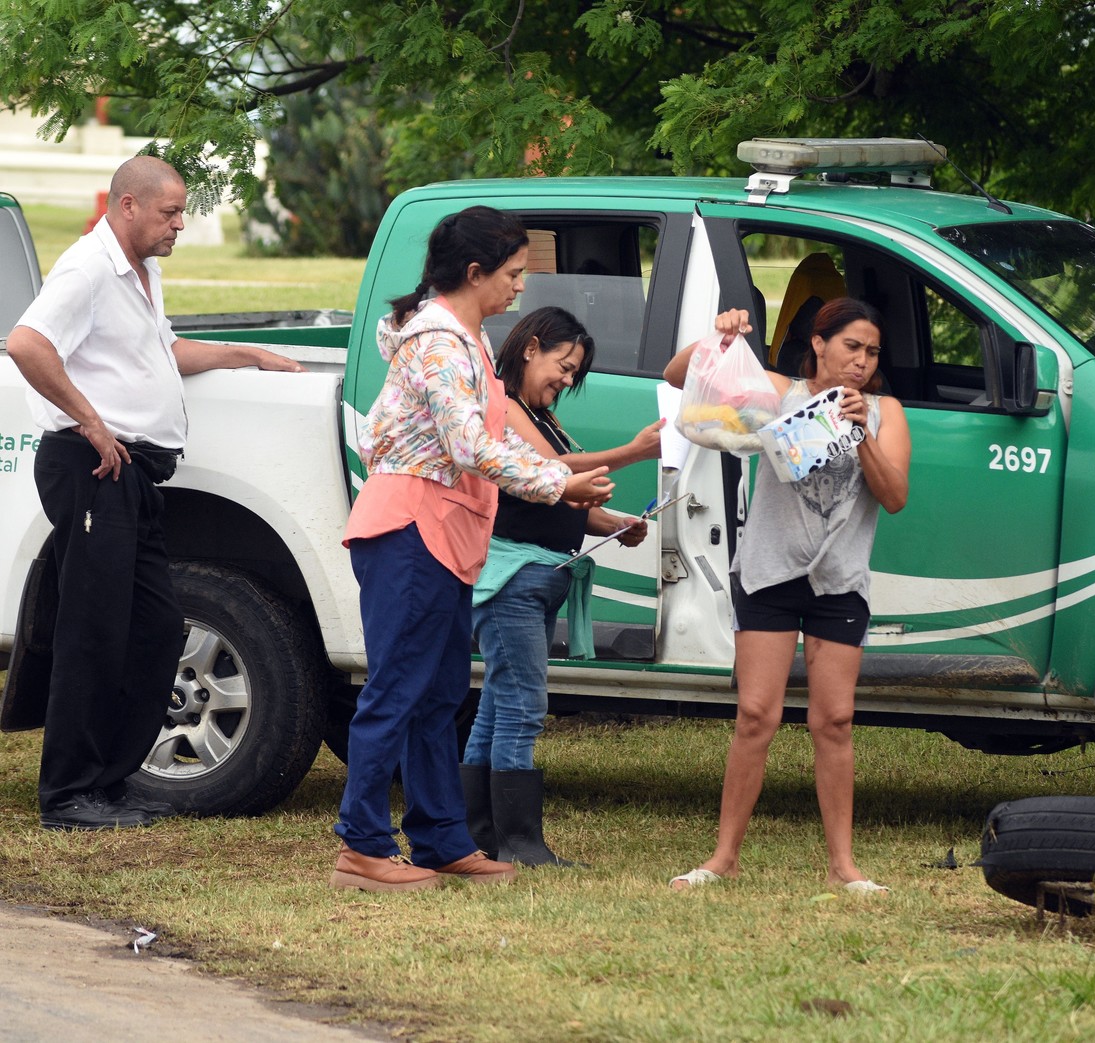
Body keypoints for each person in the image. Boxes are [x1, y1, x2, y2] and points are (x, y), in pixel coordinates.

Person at [6, 156, 304, 832]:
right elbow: (27, 343)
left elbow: (161, 353)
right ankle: (67, 795)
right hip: (91, 467)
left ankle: (110, 783)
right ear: (128, 206)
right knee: (93, 629)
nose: (179, 224)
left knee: (157, 627)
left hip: (134, 474)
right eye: (169, 212)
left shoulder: (142, 271)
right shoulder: (88, 268)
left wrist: (246, 354)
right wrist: (90, 420)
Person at [331, 208, 615, 893]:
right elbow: (468, 446)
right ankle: (362, 847)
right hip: (409, 531)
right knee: (398, 690)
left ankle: (441, 839)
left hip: (443, 534)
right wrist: (557, 481)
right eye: (514, 273)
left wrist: (571, 490)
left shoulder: (467, 338)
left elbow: (480, 444)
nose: (521, 287)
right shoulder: (440, 341)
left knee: (437, 695)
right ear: (474, 272)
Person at [662, 298, 911, 892]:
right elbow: (679, 378)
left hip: (839, 580)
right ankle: (723, 859)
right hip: (771, 573)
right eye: (851, 346)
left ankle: (843, 868)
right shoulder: (776, 391)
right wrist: (719, 340)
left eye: (872, 351)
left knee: (835, 721)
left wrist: (860, 433)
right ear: (819, 344)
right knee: (756, 715)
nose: (862, 361)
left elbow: (895, 495)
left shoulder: (884, 411)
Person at [460, 306, 664, 866]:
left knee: (499, 704)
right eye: (564, 364)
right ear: (530, 347)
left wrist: (616, 522)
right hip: (514, 578)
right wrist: (633, 451)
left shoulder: (539, 413)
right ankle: (519, 843)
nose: (567, 379)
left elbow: (559, 496)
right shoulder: (502, 404)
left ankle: (484, 836)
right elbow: (552, 470)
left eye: (574, 372)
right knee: (523, 705)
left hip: (536, 575)